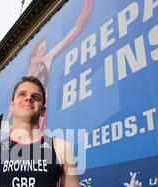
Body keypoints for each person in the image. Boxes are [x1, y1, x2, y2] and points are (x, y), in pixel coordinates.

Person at [6, 0, 93, 131]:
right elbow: (9, 118)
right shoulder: (22, 87)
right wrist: (8, 127)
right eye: (42, 49)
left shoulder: (46, 61)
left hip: (39, 133)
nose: (45, 50)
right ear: (33, 57)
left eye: (45, 48)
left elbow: (78, 27)